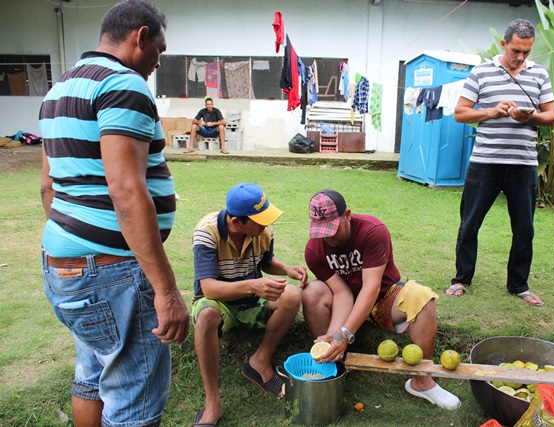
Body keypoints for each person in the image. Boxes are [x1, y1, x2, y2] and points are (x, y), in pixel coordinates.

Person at [38, 1, 190, 426]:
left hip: (63, 267)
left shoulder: (60, 89)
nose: (156, 63)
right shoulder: (124, 85)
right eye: (159, 50)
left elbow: (49, 187)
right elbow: (126, 190)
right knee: (134, 400)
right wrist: (166, 291)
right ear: (140, 36)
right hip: (112, 274)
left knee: (92, 373)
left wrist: (76, 245)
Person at [302, 189, 461, 411]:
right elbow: (341, 294)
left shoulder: (372, 231)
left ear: (347, 215)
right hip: (348, 302)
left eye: (333, 229)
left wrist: (346, 333)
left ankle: (422, 381)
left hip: (383, 298)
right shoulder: (313, 249)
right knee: (312, 291)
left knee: (422, 297)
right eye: (322, 231)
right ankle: (333, 365)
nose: (328, 237)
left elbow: (371, 287)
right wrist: (335, 334)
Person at [445, 18, 554, 306]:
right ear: (503, 44)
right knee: (470, 223)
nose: (520, 57)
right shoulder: (481, 73)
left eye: (526, 52)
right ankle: (461, 279)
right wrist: (492, 112)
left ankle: (519, 284)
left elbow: (551, 115)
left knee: (524, 228)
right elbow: (460, 113)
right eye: (516, 51)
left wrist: (530, 117)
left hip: (523, 164)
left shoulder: (539, 75)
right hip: (485, 162)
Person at [191, 183, 306, 426]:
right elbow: (208, 288)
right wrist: (253, 286)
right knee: (206, 316)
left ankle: (259, 361)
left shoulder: (262, 231)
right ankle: (212, 403)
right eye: (259, 219)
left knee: (292, 296)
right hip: (219, 302)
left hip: (251, 301)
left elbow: (265, 262)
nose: (265, 224)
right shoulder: (207, 232)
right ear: (236, 222)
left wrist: (286, 269)